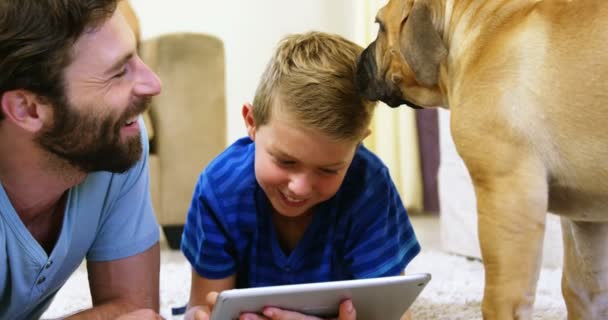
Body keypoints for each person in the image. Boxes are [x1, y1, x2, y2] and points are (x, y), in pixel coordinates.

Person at [181, 31, 421, 320]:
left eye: (328, 170)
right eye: (285, 161)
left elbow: (393, 312)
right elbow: (204, 305)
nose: (300, 187)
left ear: (358, 144)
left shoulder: (369, 186)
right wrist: (201, 314)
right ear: (251, 122)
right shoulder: (219, 188)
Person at [0, 0, 163, 319]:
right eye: (118, 73)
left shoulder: (116, 141)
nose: (154, 84)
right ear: (28, 109)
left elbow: (135, 312)